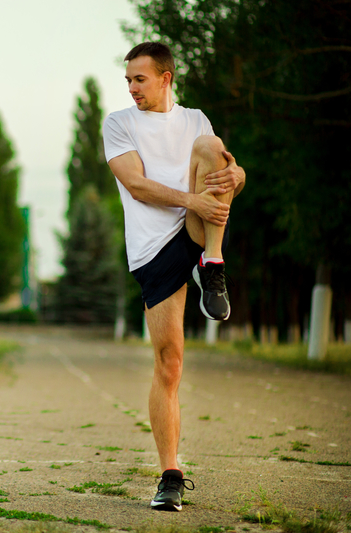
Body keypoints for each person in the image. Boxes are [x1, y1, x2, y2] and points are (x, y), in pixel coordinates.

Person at [103, 42, 246, 512]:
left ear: (165, 78)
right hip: (154, 246)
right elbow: (138, 186)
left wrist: (236, 174)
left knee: (211, 149)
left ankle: (214, 264)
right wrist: (196, 202)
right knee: (170, 363)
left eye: (139, 79)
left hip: (199, 231)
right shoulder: (119, 123)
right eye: (127, 80)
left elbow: (223, 167)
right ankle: (170, 475)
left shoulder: (194, 119)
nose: (131, 88)